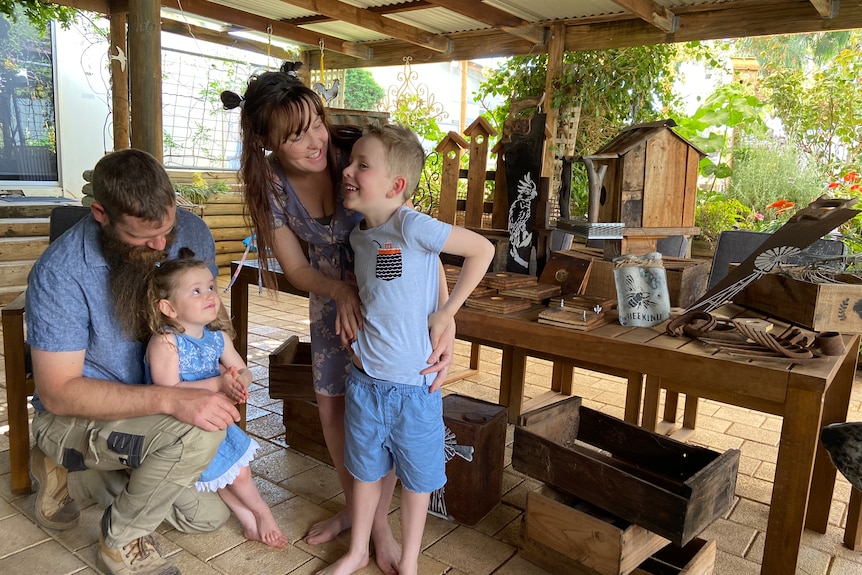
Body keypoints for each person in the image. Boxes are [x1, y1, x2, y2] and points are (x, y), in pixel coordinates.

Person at [221, 63, 455, 573]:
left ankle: (379, 533)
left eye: (315, 125)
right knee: (337, 415)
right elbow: (297, 267)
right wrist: (341, 291)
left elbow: (418, 239)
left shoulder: (357, 154)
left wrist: (444, 318)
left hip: (393, 303)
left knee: (389, 410)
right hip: (332, 305)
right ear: (267, 143)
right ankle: (361, 520)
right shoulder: (271, 188)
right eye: (295, 137)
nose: (314, 142)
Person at [26, 148, 239, 575]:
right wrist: (172, 400)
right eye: (144, 237)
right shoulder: (60, 272)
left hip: (150, 412)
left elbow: (210, 313)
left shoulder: (191, 231)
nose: (162, 246)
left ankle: (76, 475)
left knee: (208, 517)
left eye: (167, 229)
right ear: (101, 213)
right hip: (80, 416)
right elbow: (59, 391)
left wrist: (229, 365)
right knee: (193, 434)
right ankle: (121, 543)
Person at [318, 123, 495, 575]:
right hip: (364, 384)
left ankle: (411, 563)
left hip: (414, 390)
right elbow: (392, 286)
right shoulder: (361, 236)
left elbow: (481, 250)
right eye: (349, 161)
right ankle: (359, 551)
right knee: (365, 472)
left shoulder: (411, 223)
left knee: (417, 480)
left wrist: (448, 311)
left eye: (363, 165)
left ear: (396, 185)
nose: (347, 171)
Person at [144, 249, 288, 548]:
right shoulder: (166, 342)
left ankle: (249, 524)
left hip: (213, 416)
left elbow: (243, 369)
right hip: (178, 422)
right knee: (240, 472)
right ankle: (262, 513)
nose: (209, 294)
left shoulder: (216, 336)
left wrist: (237, 382)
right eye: (196, 291)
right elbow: (167, 392)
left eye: (210, 286)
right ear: (169, 307)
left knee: (221, 473)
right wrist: (219, 383)